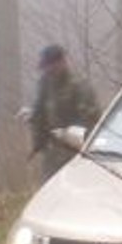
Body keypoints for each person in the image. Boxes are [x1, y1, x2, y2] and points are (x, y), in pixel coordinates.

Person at [28, 44, 100, 182]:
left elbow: (91, 118)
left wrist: (71, 135)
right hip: (51, 153)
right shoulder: (45, 83)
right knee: (50, 190)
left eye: (51, 66)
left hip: (74, 152)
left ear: (61, 62)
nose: (48, 70)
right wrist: (38, 142)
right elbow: (40, 113)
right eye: (46, 67)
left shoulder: (78, 85)